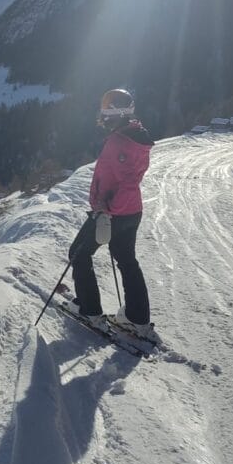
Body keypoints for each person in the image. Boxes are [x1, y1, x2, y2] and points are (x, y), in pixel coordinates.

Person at [69, 89, 155, 333]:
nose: (103, 118)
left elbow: (126, 183)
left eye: (106, 112)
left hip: (112, 213)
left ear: (116, 113)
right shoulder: (137, 137)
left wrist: (107, 208)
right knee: (127, 260)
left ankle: (90, 311)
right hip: (132, 212)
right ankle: (137, 318)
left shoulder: (119, 142)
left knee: (78, 253)